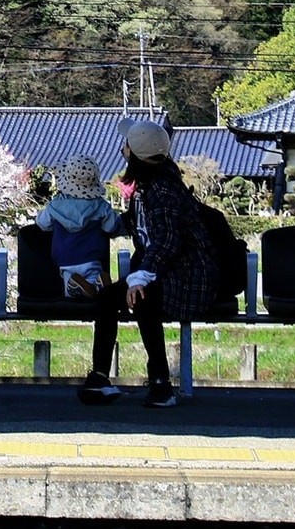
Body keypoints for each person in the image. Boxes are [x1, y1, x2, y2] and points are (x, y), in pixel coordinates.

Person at [77, 117, 222, 409]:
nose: (122, 149)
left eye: (126, 145)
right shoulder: (149, 185)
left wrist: (141, 276)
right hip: (165, 272)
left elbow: (167, 240)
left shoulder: (161, 189)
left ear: (134, 153)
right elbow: (141, 227)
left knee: (143, 297)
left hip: (187, 277)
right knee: (108, 297)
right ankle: (100, 377)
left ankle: (160, 383)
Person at [36, 154, 121, 299]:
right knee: (94, 284)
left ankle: (75, 284)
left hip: (66, 258)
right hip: (91, 257)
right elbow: (111, 227)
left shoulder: (56, 205)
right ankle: (99, 283)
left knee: (70, 293)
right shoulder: (100, 205)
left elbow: (42, 223)